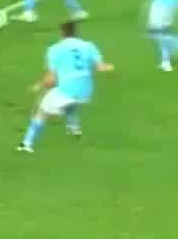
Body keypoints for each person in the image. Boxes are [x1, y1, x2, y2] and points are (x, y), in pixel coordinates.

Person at [20, 21, 112, 153]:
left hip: (68, 90)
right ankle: (74, 129)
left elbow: (51, 80)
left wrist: (38, 86)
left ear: (62, 33)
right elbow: (101, 67)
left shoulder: (55, 49)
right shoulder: (89, 45)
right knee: (70, 100)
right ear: (76, 32)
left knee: (41, 111)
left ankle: (26, 144)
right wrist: (110, 68)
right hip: (86, 92)